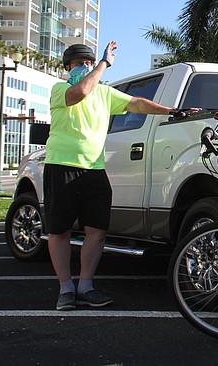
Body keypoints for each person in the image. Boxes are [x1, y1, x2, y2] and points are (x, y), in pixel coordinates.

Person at [45, 42, 197, 310]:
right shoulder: (60, 90)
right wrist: (104, 64)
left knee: (97, 230)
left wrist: (171, 111)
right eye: (78, 63)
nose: (84, 66)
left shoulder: (104, 93)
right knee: (59, 231)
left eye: (88, 62)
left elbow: (137, 104)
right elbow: (80, 91)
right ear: (67, 68)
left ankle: (86, 286)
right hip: (61, 166)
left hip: (94, 169)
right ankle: (65, 288)